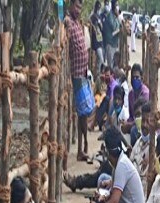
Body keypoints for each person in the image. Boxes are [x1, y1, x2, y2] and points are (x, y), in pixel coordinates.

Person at [88, 127, 144, 203]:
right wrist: (104, 198)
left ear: (108, 151)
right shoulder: (119, 162)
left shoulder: (122, 166)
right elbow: (113, 194)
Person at [65, 0, 90, 161]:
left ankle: (83, 145)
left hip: (83, 73)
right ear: (70, 5)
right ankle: (82, 146)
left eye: (80, 7)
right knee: (82, 113)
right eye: (76, 6)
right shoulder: (68, 22)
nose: (79, 9)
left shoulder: (77, 23)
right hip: (75, 76)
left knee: (84, 112)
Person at [121, 63, 149, 138]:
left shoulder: (145, 94)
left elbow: (143, 117)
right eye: (133, 78)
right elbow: (131, 116)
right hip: (134, 123)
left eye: (137, 77)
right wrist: (126, 123)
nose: (134, 80)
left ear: (142, 78)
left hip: (144, 125)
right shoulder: (131, 94)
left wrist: (130, 125)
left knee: (134, 130)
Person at [101, 1, 120, 69]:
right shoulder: (110, 16)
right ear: (114, 7)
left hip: (114, 43)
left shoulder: (115, 16)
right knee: (110, 65)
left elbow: (119, 25)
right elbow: (114, 27)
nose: (118, 7)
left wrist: (118, 17)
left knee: (115, 63)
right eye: (117, 5)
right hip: (110, 43)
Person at [89, 1, 105, 73]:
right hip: (95, 41)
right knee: (100, 59)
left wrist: (100, 25)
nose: (99, 9)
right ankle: (97, 74)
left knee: (100, 60)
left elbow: (101, 28)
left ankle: (97, 74)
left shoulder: (99, 17)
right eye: (98, 7)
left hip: (100, 40)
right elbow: (92, 29)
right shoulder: (92, 17)